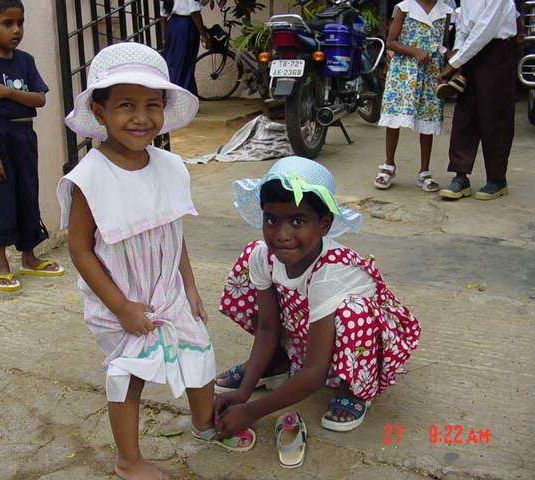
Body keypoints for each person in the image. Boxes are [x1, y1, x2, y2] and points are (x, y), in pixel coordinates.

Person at [57, 42, 255, 480]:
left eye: (152, 104)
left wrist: (189, 286)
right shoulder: (89, 177)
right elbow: (79, 249)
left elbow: (171, 230)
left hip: (168, 289)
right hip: (121, 297)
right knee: (128, 377)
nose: (141, 117)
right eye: (126, 105)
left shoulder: (170, 166)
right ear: (100, 111)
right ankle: (128, 460)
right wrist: (121, 307)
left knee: (199, 351)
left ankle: (203, 422)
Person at [214, 156, 421, 437]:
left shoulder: (332, 273)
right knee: (248, 259)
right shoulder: (263, 255)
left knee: (354, 313)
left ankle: (356, 388)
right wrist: (243, 394)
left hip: (357, 347)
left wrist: (251, 411)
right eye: (271, 219)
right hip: (310, 330)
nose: (282, 235)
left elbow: (314, 373)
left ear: (324, 224)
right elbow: (266, 329)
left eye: (297, 221)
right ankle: (278, 362)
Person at [0, 0, 64, 292]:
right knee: (0, 198)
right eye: (7, 23)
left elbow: (39, 99)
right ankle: (1, 263)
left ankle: (29, 257)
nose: (16, 30)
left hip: (23, 135)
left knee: (27, 193)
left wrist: (7, 92)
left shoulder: (25, 61)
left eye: (20, 23)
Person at [438, 0, 518, 200]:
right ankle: (460, 175)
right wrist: (458, 51)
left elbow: (486, 27)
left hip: (496, 50)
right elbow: (463, 25)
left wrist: (455, 62)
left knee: (495, 115)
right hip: (470, 50)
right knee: (464, 114)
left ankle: (497, 179)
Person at [375, 0, 453, 192]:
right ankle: (388, 165)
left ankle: (424, 171)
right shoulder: (404, 7)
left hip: (431, 71)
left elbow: (443, 44)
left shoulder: (445, 11)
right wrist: (414, 51)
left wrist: (451, 61)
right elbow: (391, 42)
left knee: (427, 120)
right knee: (394, 118)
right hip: (404, 71)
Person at [160, 0, 211, 96]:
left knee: (173, 63)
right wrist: (204, 35)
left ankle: (174, 94)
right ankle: (180, 95)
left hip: (172, 26)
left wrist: (164, 37)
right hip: (186, 26)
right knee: (185, 63)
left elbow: (163, 16)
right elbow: (194, 12)